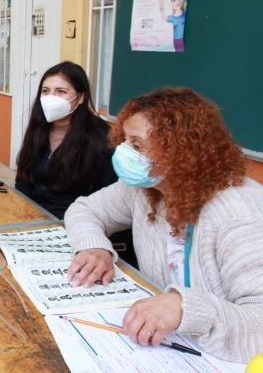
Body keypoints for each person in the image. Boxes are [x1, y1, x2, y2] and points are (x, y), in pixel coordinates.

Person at [65, 87, 263, 363]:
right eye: (125, 140)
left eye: (137, 144)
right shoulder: (146, 188)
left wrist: (185, 308)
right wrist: (94, 246)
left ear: (180, 150)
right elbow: (84, 210)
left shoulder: (240, 212)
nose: (123, 152)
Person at [14, 62, 137, 265]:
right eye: (46, 91)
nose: (51, 97)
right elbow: (24, 180)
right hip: (35, 227)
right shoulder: (38, 130)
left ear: (80, 98)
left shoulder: (101, 140)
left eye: (61, 91)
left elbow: (109, 203)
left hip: (77, 233)